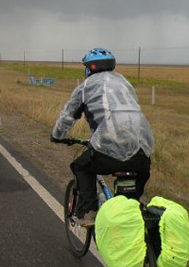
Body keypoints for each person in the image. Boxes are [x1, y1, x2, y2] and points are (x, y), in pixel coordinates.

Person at [51, 48, 154, 227]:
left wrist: (57, 135)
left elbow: (68, 116)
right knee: (132, 207)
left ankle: (89, 211)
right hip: (142, 153)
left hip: (108, 153)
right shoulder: (124, 83)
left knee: (81, 167)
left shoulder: (84, 88)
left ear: (89, 68)